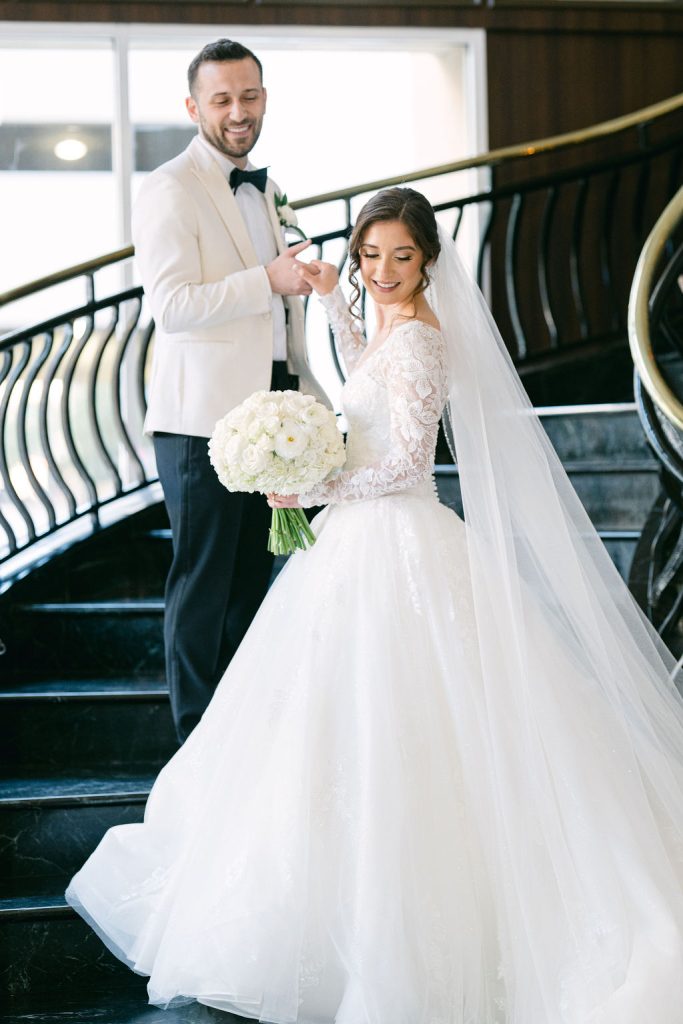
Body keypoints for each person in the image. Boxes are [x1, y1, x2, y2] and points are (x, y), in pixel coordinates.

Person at [66, 188, 683, 1022]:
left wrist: (316, 484)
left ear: (427, 259)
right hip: (358, 539)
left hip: (397, 537)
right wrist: (331, 302)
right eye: (369, 257)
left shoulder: (425, 341)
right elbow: (363, 379)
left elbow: (405, 462)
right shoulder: (390, 327)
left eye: (399, 256)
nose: (383, 272)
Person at [133, 38, 321, 743]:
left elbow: (280, 308)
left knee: (251, 585)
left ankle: (237, 747)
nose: (237, 112)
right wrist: (265, 281)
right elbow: (172, 306)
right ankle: (194, 748)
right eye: (221, 100)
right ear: (193, 107)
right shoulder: (169, 186)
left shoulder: (266, 187)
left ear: (264, 97)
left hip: (273, 409)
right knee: (204, 584)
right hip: (201, 421)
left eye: (248, 96)